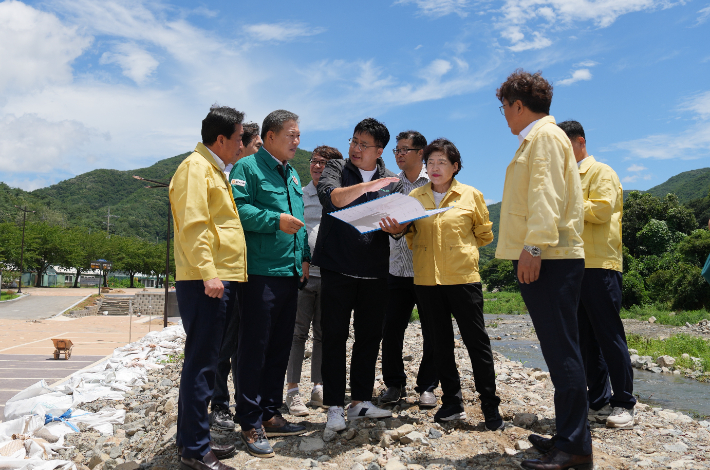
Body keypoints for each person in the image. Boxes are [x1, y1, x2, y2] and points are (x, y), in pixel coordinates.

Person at [495, 69, 591, 470]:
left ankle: (574, 450)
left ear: (518, 105)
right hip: (547, 255)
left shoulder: (546, 137)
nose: (503, 115)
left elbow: (546, 195)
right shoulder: (539, 138)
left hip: (550, 256)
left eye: (504, 107)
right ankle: (568, 436)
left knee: (562, 351)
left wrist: (533, 246)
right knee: (556, 349)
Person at [381, 138, 503, 428]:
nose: (435, 168)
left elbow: (485, 235)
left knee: (477, 343)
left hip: (463, 279)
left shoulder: (471, 195)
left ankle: (490, 406)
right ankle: (451, 402)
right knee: (440, 344)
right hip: (426, 280)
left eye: (442, 163)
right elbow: (409, 235)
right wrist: (396, 230)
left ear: (455, 167)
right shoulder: (415, 198)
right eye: (431, 163)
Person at [169, 105, 247, 470]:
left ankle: (193, 440)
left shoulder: (215, 169)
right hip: (207, 280)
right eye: (239, 138)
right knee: (202, 364)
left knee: (206, 361)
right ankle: (196, 451)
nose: (242, 144)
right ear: (221, 139)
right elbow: (194, 225)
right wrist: (208, 273)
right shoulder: (194, 169)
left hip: (220, 276)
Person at [313, 117, 403, 432]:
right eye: (354, 141)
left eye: (364, 145)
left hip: (376, 273)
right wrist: (367, 186)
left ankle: (361, 402)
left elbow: (401, 225)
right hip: (337, 267)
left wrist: (399, 227)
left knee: (368, 339)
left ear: (379, 151)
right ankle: (335, 407)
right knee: (334, 338)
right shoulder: (336, 168)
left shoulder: (393, 180)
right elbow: (333, 199)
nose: (355, 148)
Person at [230, 110, 309, 458]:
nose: (297, 141)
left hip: (289, 272)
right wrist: (275, 220)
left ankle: (271, 413)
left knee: (280, 345)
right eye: (291, 135)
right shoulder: (247, 168)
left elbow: (301, 220)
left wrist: (304, 256)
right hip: (259, 272)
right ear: (271, 135)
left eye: (298, 135)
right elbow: (238, 210)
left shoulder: (291, 173)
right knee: (253, 348)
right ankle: (249, 420)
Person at [557, 120, 635, 429]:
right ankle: (599, 400)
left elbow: (602, 210)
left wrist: (565, 206)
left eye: (564, 146)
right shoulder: (566, 177)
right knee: (586, 339)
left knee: (609, 335)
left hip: (600, 265)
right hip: (573, 266)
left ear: (579, 141)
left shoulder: (601, 172)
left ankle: (625, 402)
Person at [209, 121, 263, 431]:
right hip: (225, 273)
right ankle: (219, 404)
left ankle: (248, 402)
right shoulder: (221, 179)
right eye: (256, 146)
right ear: (240, 146)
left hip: (252, 271)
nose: (258, 153)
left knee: (249, 343)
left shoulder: (255, 179)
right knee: (224, 342)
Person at [379, 130, 438, 408]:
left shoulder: (436, 182)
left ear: (420, 153)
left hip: (428, 269)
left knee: (432, 329)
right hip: (396, 268)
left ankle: (427, 386)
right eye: (396, 150)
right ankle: (393, 384)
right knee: (391, 329)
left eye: (404, 149)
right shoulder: (390, 185)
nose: (399, 154)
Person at [285, 145, 344, 416]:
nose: (317, 166)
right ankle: (292, 391)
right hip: (304, 275)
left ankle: (318, 386)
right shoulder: (300, 193)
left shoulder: (340, 195)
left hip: (331, 275)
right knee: (297, 334)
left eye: (324, 163)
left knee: (323, 334)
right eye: (314, 161)